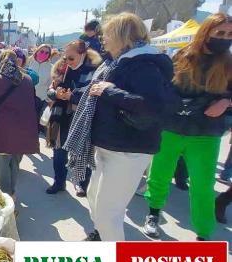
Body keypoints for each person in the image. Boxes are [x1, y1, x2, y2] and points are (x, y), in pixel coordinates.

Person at [64, 12, 177, 242]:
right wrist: (71, 95)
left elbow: (153, 106)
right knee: (95, 199)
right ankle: (102, 239)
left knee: (108, 214)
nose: (103, 39)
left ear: (122, 35)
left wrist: (109, 91)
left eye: (107, 34)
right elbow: (94, 92)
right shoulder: (118, 61)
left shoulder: (144, 65)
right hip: (108, 146)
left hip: (128, 150)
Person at [143, 13, 232, 241]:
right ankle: (153, 214)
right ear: (206, 32)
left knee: (203, 186)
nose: (225, 38)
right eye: (220, 32)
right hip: (172, 127)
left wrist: (226, 101)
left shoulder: (228, 63)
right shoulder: (183, 55)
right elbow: (165, 85)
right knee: (159, 175)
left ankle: (203, 233)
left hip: (205, 133)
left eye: (230, 34)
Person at [47, 40, 102, 196]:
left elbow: (93, 96)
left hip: (82, 117)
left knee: (81, 152)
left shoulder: (94, 70)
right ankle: (59, 182)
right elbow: (50, 90)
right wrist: (56, 94)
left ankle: (81, 184)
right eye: (65, 57)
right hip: (61, 116)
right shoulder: (61, 67)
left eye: (71, 58)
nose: (67, 61)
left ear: (83, 54)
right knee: (59, 152)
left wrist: (72, 97)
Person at [0, 50, 40, 196]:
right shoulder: (27, 79)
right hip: (23, 130)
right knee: (14, 165)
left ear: (2, 61)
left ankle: (6, 200)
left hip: (3, 131)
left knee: (2, 167)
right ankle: (12, 193)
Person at [28, 44, 58, 122]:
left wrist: (48, 102)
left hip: (40, 100)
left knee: (35, 123)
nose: (43, 54)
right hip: (26, 97)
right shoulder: (28, 62)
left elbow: (50, 85)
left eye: (46, 53)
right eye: (41, 51)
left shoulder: (51, 67)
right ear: (37, 51)